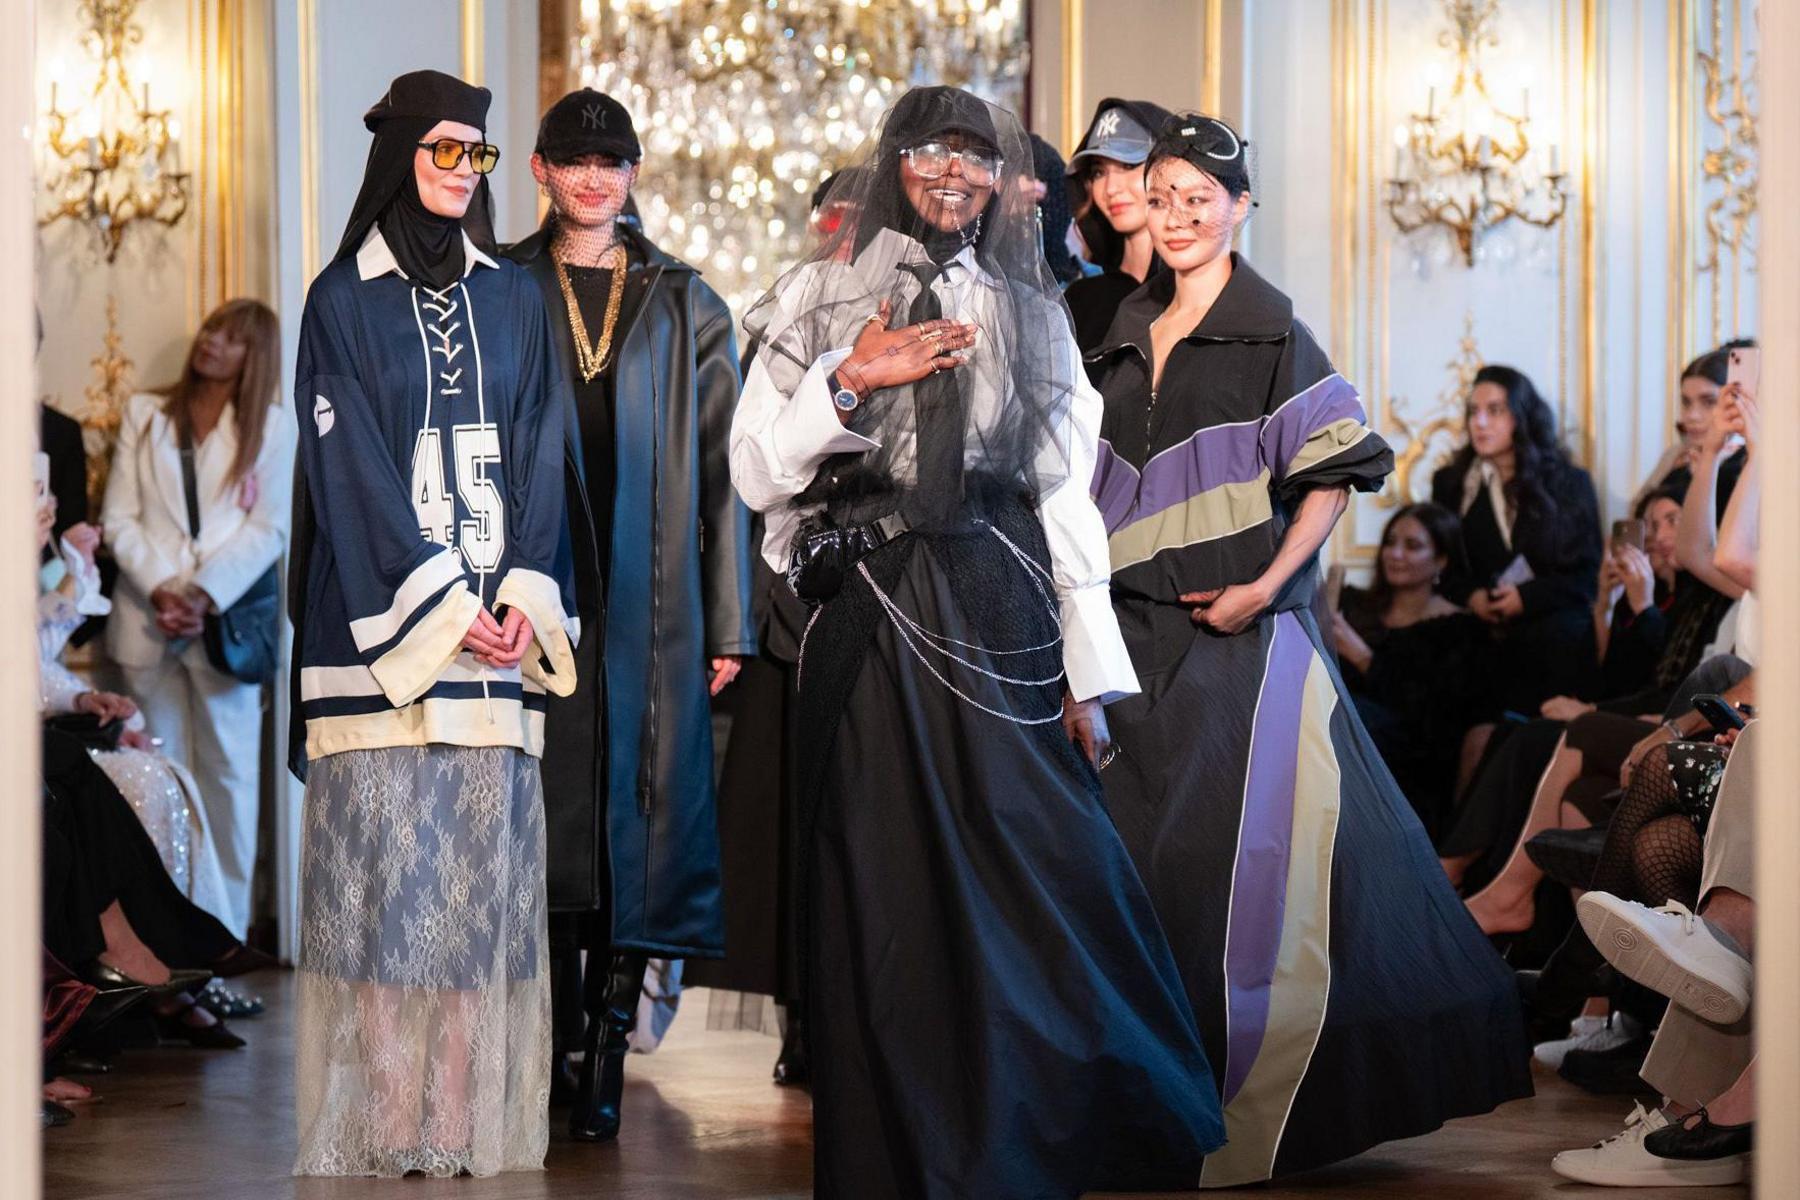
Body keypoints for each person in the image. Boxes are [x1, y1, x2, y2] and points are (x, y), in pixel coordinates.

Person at [731, 86, 1224, 1198]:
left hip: (1001, 615)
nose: (955, 175)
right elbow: (756, 471)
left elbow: (1067, 498)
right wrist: (852, 380)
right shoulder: (812, 297)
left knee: (1037, 869)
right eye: (932, 153)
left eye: (975, 157)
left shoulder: (1030, 314)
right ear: (893, 161)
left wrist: (1088, 676)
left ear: (1000, 180)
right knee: (883, 892)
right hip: (866, 620)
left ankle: (1021, 1144)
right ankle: (896, 1161)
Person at [1087, 112, 1530, 1186]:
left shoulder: (1274, 328)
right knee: (1138, 880)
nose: (1182, 214)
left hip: (1235, 639)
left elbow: (1332, 477)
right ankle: (1154, 1107)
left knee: (1233, 885)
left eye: (1205, 197)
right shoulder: (1110, 326)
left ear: (1242, 208)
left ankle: (1242, 1117)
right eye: (1166, 193)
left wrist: (1262, 591)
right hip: (1123, 640)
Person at [286, 70, 578, 1178]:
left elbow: (547, 452)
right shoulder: (339, 301)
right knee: (378, 899)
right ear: (401, 154)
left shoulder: (515, 299)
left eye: (478, 155)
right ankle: (389, 1111)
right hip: (376, 640)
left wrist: (517, 603)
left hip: (492, 646)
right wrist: (447, 611)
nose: (461, 173)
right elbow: (346, 472)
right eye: (444, 151)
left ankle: (456, 1115)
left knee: (468, 908)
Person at [506, 87, 754, 1142]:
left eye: (612, 162)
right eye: (575, 160)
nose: (595, 177)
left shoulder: (685, 300)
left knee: (635, 824)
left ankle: (605, 1040)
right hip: (537, 587)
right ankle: (554, 1033)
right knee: (548, 818)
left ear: (634, 174)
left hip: (655, 597)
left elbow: (722, 475)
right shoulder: (504, 287)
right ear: (542, 170)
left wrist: (730, 622)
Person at [100, 299, 289, 940]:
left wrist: (204, 594)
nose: (212, 343)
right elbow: (118, 519)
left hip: (223, 629)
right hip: (148, 625)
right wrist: (163, 590)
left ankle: (224, 942)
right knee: (155, 788)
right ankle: (162, 944)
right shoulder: (145, 414)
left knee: (231, 787)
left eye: (232, 339)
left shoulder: (271, 426)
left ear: (253, 355)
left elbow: (270, 528)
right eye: (210, 329)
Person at [1430, 365, 1602, 713]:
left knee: (1561, 640)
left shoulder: (1570, 483)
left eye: (1494, 411)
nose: (1479, 423)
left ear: (1522, 417)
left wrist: (1527, 598)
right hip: (1482, 636)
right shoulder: (1451, 483)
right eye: (1473, 412)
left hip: (1554, 635)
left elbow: (1588, 576)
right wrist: (1473, 596)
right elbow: (1442, 569)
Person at [1332, 502, 1489, 838]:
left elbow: (1434, 722)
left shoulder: (1460, 628)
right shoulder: (1354, 606)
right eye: (1390, 542)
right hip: (1341, 741)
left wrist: (1363, 657)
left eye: (1412, 546)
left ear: (1441, 560)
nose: (1395, 554)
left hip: (1411, 762)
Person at [1062, 97, 1172, 349]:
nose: (1111, 188)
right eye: (1099, 172)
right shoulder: (1080, 300)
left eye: (1129, 165)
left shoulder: (1192, 296)